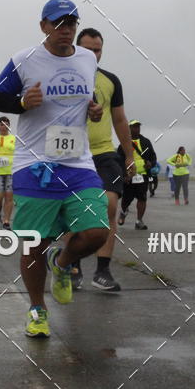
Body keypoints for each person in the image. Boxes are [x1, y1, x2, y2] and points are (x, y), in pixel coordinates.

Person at [0, 0, 109, 338]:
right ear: (43, 25)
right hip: (34, 164)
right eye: (57, 23)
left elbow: (83, 100)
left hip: (78, 163)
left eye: (70, 23)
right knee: (33, 243)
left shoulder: (87, 59)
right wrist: (22, 103)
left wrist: (93, 110)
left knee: (97, 232)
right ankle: (37, 310)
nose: (65, 29)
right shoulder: (24, 60)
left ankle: (63, 262)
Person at [72, 27, 136, 292]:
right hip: (73, 154)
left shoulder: (110, 81)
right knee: (74, 212)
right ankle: (72, 265)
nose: (92, 54)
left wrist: (130, 155)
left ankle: (102, 270)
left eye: (97, 49)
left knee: (110, 205)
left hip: (104, 152)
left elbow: (120, 119)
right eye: (87, 49)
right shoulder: (64, 77)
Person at [117, 121, 157, 230]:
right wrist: (124, 175)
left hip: (143, 175)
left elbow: (153, 157)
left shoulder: (146, 142)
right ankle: (123, 212)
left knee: (142, 198)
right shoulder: (124, 143)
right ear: (129, 128)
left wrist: (151, 163)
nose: (137, 129)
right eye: (134, 127)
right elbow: (119, 160)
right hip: (129, 176)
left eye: (138, 126)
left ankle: (139, 221)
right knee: (126, 199)